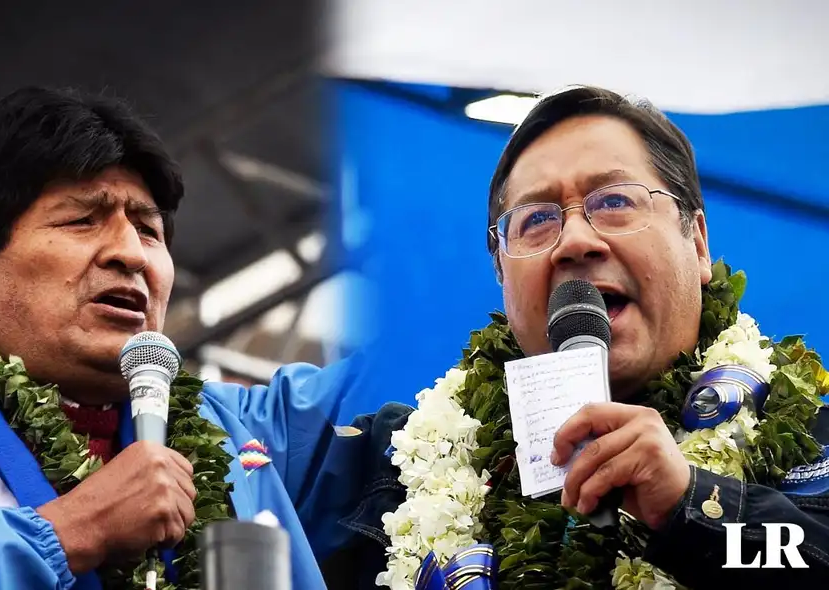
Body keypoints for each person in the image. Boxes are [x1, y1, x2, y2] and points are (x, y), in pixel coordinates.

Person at [0, 86, 377, 590]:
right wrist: (71, 533)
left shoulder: (251, 433)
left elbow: (428, 375)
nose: (131, 253)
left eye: (148, 228)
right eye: (81, 221)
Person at [333, 85, 829, 588]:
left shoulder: (815, 440)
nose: (574, 242)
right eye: (537, 219)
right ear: (502, 274)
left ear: (698, 243)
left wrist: (695, 504)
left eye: (614, 200)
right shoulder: (390, 468)